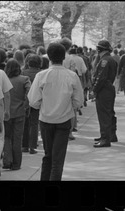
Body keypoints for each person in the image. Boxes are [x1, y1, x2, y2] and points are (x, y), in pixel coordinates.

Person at [28, 42, 84, 180]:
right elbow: (79, 101)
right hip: (64, 120)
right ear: (63, 57)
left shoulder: (41, 76)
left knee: (48, 155)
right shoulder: (72, 76)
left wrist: (44, 105)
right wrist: (68, 105)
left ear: (49, 57)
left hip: (46, 119)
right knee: (58, 159)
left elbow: (33, 101)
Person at [3, 59, 31, 170]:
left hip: (6, 112)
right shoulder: (24, 79)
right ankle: (16, 163)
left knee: (7, 138)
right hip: (20, 112)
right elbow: (30, 93)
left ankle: (7, 161)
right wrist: (25, 105)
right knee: (17, 139)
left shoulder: (4, 80)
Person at [90, 40, 118, 147]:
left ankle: (105, 139)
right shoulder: (110, 59)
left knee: (104, 115)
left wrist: (94, 90)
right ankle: (110, 135)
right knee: (109, 112)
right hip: (109, 88)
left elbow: (101, 77)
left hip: (104, 90)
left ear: (99, 49)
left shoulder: (104, 60)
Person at [22, 54, 42, 154]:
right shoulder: (41, 73)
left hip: (25, 101)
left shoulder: (23, 72)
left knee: (25, 123)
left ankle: (24, 145)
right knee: (34, 123)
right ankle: (32, 146)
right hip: (37, 100)